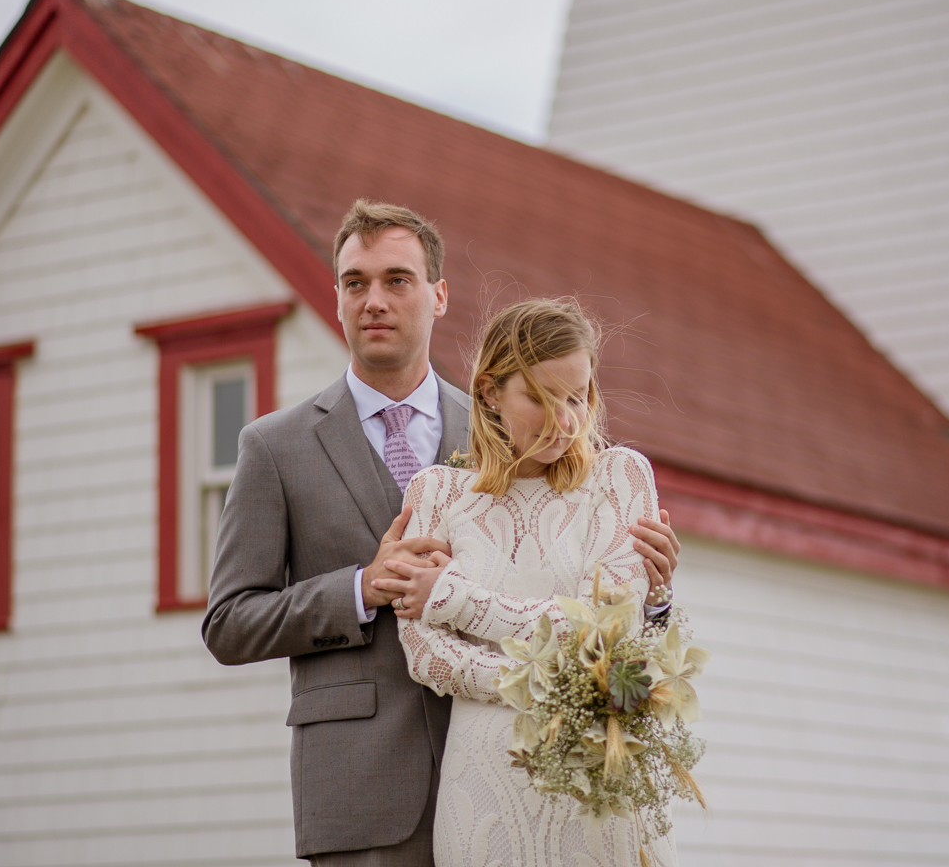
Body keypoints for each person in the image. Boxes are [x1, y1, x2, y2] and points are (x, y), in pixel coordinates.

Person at [202, 201, 680, 864]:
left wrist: (655, 602)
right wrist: (361, 588)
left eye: (397, 279)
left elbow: (603, 614)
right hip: (361, 793)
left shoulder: (514, 420)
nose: (374, 300)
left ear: (439, 295)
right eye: (354, 282)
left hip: (532, 780)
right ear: (336, 299)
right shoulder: (273, 447)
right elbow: (228, 622)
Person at [374, 297, 678, 867]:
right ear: (490, 391)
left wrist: (455, 599)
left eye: (578, 397)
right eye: (541, 397)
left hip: (598, 789)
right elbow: (424, 654)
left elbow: (607, 635)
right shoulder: (435, 494)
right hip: (483, 789)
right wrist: (559, 685)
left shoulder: (621, 477)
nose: (566, 420)